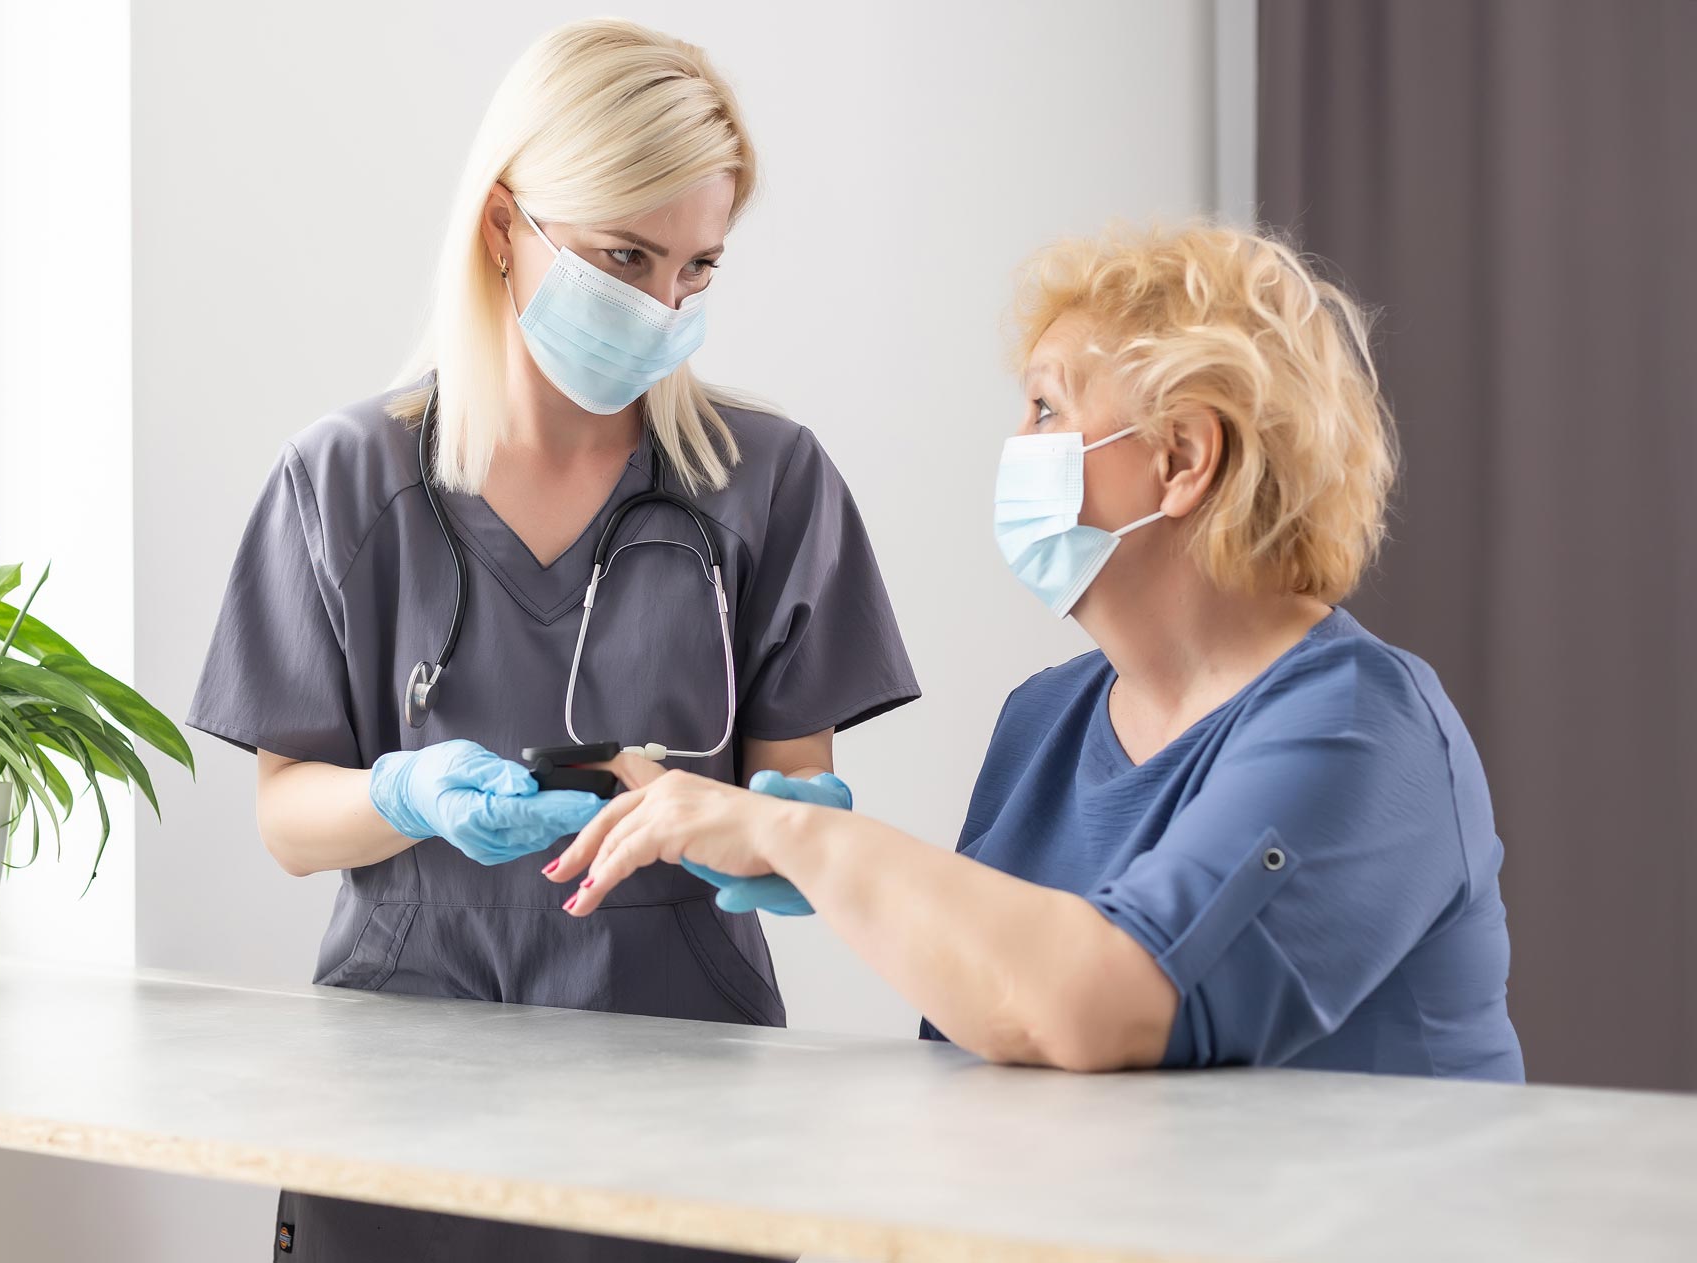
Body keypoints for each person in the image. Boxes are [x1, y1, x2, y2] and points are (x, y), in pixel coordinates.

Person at [186, 18, 919, 1261]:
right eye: (623, 255)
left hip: (683, 1101)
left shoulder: (769, 484)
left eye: (695, 269)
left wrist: (778, 836)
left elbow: (797, 811)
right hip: (397, 1100)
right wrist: (408, 793)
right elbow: (285, 818)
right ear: (501, 228)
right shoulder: (345, 482)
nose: (660, 305)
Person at [554, 222, 1524, 1082]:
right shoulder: (1047, 721)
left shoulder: (1360, 730)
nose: (1015, 444)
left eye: (1048, 409)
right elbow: (985, 1031)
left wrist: (795, 839)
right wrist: (802, 864)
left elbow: (1094, 1004)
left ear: (1184, 459)